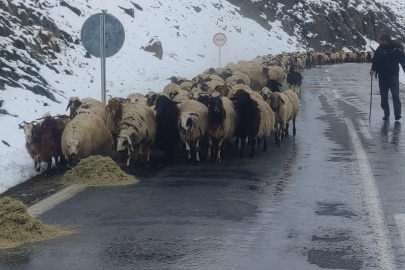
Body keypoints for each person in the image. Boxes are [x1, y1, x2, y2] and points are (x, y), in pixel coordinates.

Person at [370, 34, 405, 121]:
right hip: (382, 76)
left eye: (383, 40)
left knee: (395, 95)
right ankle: (386, 113)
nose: (382, 42)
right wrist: (373, 69)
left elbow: (404, 62)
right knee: (384, 97)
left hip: (393, 76)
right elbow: (376, 61)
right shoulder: (380, 50)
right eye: (381, 40)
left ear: (387, 41)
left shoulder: (397, 50)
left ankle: (397, 113)